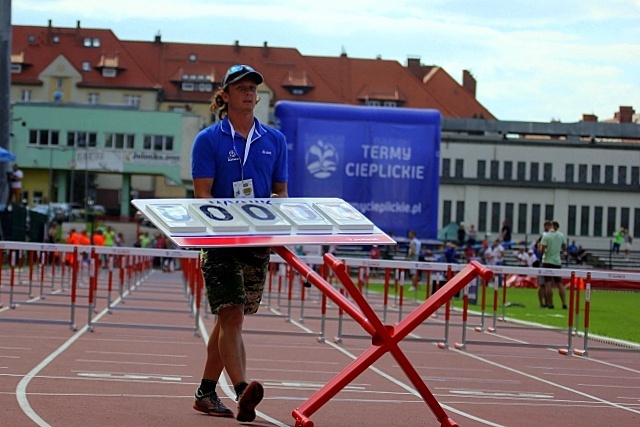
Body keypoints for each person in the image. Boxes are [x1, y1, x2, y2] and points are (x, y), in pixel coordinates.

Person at [191, 64, 288, 421]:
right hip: (219, 241)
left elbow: (281, 192)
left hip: (256, 242)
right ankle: (242, 390)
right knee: (230, 313)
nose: (248, 92)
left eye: (252, 88)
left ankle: (205, 392)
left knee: (230, 320)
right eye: (241, 87)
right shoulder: (208, 140)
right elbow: (202, 196)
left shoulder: (274, 141)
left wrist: (279, 205)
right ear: (226, 95)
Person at [539, 220, 567, 309]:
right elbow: (564, 246)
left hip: (547, 261)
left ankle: (550, 304)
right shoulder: (561, 235)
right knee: (559, 283)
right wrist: (561, 252)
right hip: (557, 262)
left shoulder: (546, 236)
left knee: (548, 283)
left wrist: (541, 250)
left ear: (548, 226)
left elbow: (542, 250)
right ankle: (564, 303)